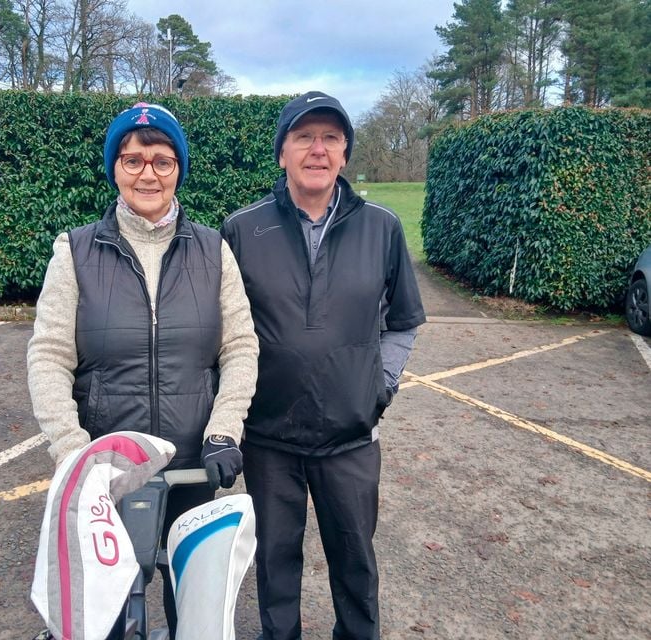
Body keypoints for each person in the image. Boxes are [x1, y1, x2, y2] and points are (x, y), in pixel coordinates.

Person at [27, 102, 258, 639]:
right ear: (115, 168)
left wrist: (224, 431)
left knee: (191, 613)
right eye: (132, 160)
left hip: (192, 465)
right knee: (106, 617)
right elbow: (49, 355)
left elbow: (240, 347)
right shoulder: (75, 251)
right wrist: (73, 453)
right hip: (105, 472)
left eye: (162, 161)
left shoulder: (213, 250)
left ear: (179, 170)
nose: (147, 174)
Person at [221, 91, 426, 640]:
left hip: (350, 437)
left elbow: (403, 321)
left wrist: (379, 387)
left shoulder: (382, 227)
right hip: (269, 437)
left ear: (345, 153)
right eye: (304, 137)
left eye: (331, 138)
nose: (318, 149)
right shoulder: (241, 229)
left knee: (356, 564)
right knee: (275, 562)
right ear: (281, 152)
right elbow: (223, 331)